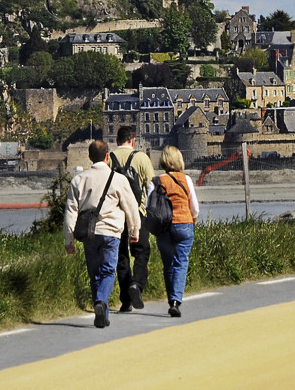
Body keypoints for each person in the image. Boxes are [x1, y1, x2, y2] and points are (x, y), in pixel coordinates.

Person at [64, 140, 140, 329]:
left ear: (89, 157)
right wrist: (134, 230)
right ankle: (100, 302)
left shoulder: (79, 180)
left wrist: (69, 238)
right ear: (108, 156)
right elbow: (130, 207)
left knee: (94, 273)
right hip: (111, 232)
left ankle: (102, 314)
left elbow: (71, 211)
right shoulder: (118, 179)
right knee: (107, 270)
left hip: (89, 233)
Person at [110, 125, 155, 312]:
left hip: (116, 215)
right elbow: (151, 186)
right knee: (141, 252)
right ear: (133, 140)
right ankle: (136, 284)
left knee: (121, 257)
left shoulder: (109, 158)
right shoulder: (141, 157)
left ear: (117, 140)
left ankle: (125, 300)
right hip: (137, 213)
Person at [153, 145, 199, 318]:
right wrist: (193, 220)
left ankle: (170, 298)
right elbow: (194, 206)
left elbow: (150, 206)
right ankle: (175, 301)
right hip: (184, 223)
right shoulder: (186, 179)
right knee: (181, 262)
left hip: (164, 226)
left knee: (168, 264)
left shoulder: (157, 181)